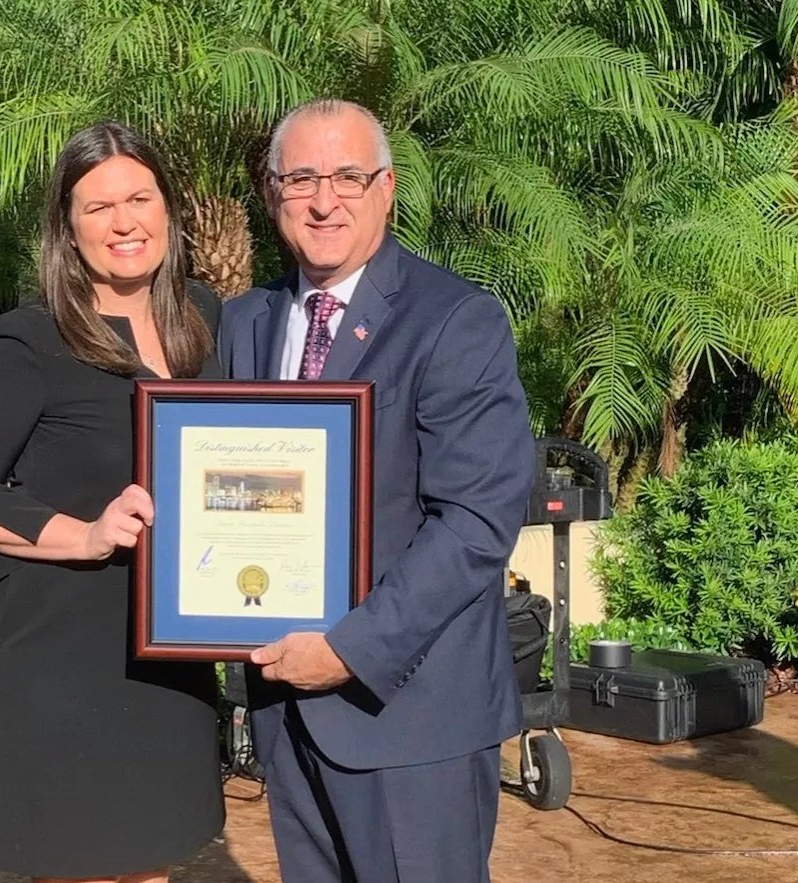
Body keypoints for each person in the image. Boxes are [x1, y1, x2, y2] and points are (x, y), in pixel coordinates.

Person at [218, 99, 535, 882]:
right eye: (300, 178)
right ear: (269, 194)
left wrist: (349, 651)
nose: (323, 200)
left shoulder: (453, 319)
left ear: (386, 188)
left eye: (347, 176)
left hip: (409, 717)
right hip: (285, 707)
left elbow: (474, 521)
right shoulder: (244, 323)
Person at [0, 121, 225, 883]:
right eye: (97, 207)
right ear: (67, 228)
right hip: (62, 659)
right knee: (80, 862)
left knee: (153, 858)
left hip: (168, 653)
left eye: (139, 198)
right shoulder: (30, 340)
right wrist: (85, 534)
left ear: (168, 209)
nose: (123, 222)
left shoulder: (204, 318)